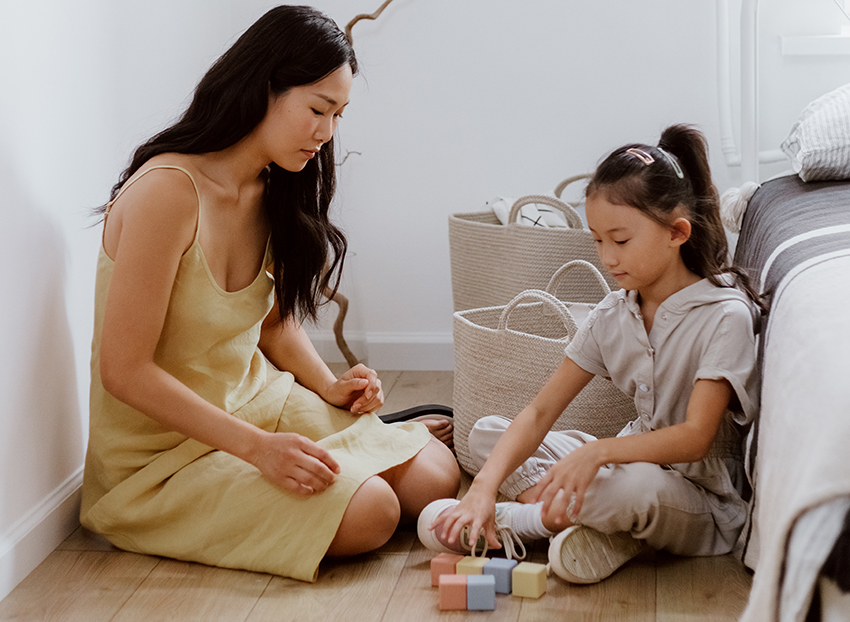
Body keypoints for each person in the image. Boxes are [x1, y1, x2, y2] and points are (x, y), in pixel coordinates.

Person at [80, 5, 459, 583]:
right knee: (375, 514)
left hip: (258, 403)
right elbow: (123, 371)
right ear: (263, 89)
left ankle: (319, 466)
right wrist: (259, 449)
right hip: (162, 459)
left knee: (434, 474)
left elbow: (272, 323)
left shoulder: (271, 187)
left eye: (338, 114)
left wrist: (331, 387)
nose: (327, 132)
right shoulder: (167, 193)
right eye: (317, 109)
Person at [417, 124, 763, 584]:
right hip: (624, 460)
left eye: (620, 240)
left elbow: (696, 437)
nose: (607, 257)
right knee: (485, 434)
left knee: (634, 489)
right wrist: (480, 489)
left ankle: (521, 524)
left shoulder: (724, 315)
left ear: (677, 232)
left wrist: (597, 454)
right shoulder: (614, 313)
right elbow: (541, 411)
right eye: (598, 240)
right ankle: (599, 527)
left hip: (697, 492)